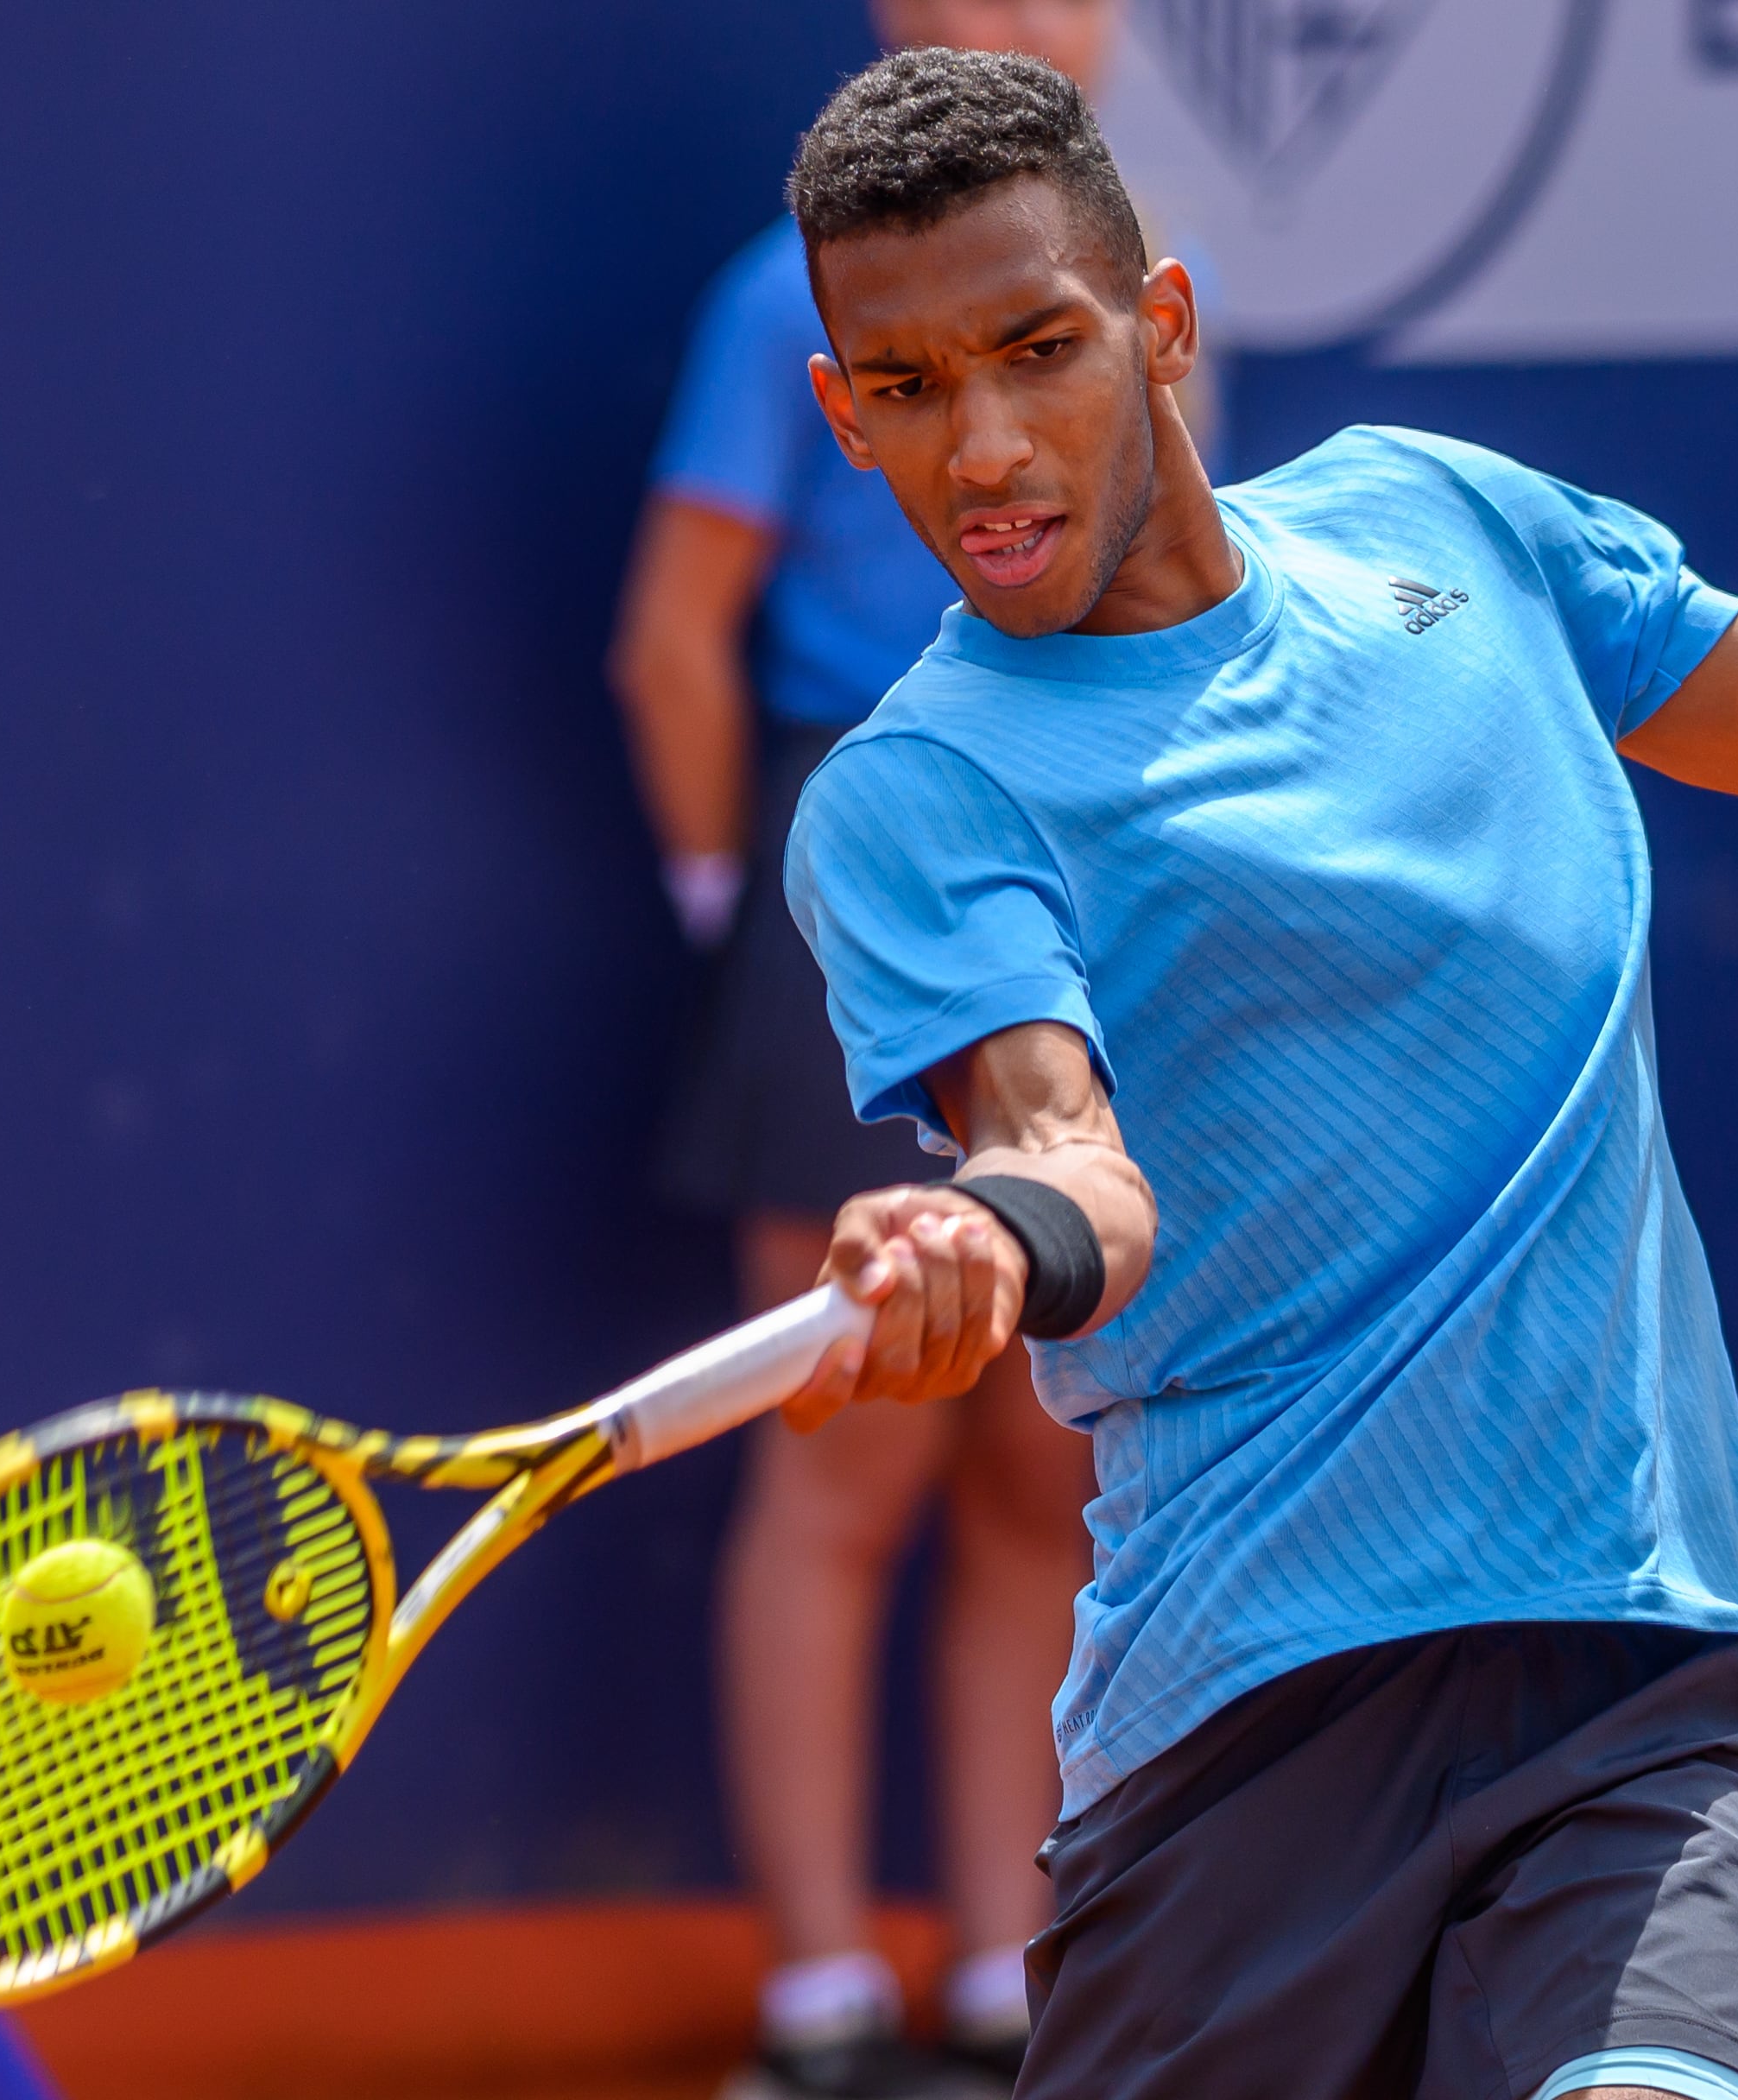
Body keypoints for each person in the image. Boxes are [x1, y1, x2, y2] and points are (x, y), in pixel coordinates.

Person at [762, 48, 1738, 2100]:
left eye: (1039, 350)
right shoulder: (918, 792)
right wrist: (985, 1235)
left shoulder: (1449, 528)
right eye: (910, 388)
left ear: (1163, 324)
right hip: (1239, 1748)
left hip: (1647, 1679)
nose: (986, 446)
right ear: (842, 412)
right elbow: (1064, 1153)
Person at [610, 9, 1164, 2097]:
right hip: (846, 886)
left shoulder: (1143, 271)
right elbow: (672, 639)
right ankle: (822, 2001)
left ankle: (1006, 1979)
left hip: (1082, 883)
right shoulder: (784, 302)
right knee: (845, 1459)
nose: (1030, 17)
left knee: (1044, 1466)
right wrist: (742, 909)